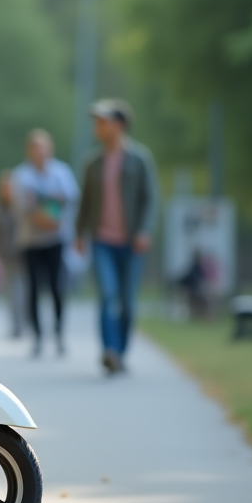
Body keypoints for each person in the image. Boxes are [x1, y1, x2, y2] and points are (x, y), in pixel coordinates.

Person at [74, 99, 159, 375]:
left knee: (127, 300)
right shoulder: (92, 163)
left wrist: (145, 230)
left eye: (103, 121)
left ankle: (120, 352)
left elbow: (151, 199)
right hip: (102, 241)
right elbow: (84, 202)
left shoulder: (140, 159)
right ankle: (109, 350)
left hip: (132, 242)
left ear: (119, 125)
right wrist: (79, 234)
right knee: (108, 295)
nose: (97, 126)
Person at [11, 130, 79, 357]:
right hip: (31, 241)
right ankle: (38, 335)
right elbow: (21, 207)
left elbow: (70, 198)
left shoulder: (61, 172)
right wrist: (44, 212)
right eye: (35, 147)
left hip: (56, 239)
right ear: (29, 150)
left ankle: (59, 331)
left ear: (50, 149)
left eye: (43, 146)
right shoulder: (21, 176)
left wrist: (50, 213)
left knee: (56, 286)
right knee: (33, 288)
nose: (39, 151)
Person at [0, 171, 26, 338]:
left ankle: (23, 321)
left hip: (23, 256)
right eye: (5, 188)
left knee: (22, 291)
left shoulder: (22, 208)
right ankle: (16, 324)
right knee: (10, 293)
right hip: (5, 257)